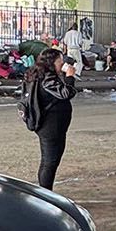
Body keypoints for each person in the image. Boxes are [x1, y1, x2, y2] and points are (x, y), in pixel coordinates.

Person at [23, 45, 76, 191]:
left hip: (53, 125)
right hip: (50, 127)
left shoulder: (37, 74)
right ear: (52, 62)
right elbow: (66, 93)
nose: (62, 63)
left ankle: (46, 192)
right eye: (60, 61)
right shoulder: (47, 77)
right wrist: (70, 76)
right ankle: (46, 194)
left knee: (51, 161)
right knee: (49, 162)